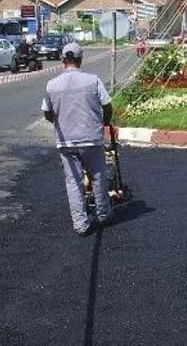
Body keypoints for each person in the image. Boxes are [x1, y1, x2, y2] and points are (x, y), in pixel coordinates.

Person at [41, 43, 114, 236]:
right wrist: (104, 122)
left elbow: (47, 113)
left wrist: (58, 121)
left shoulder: (52, 84)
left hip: (66, 141)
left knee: (73, 182)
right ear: (81, 60)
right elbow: (107, 105)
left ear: (62, 60)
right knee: (97, 176)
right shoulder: (93, 80)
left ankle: (80, 224)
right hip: (92, 138)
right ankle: (103, 214)